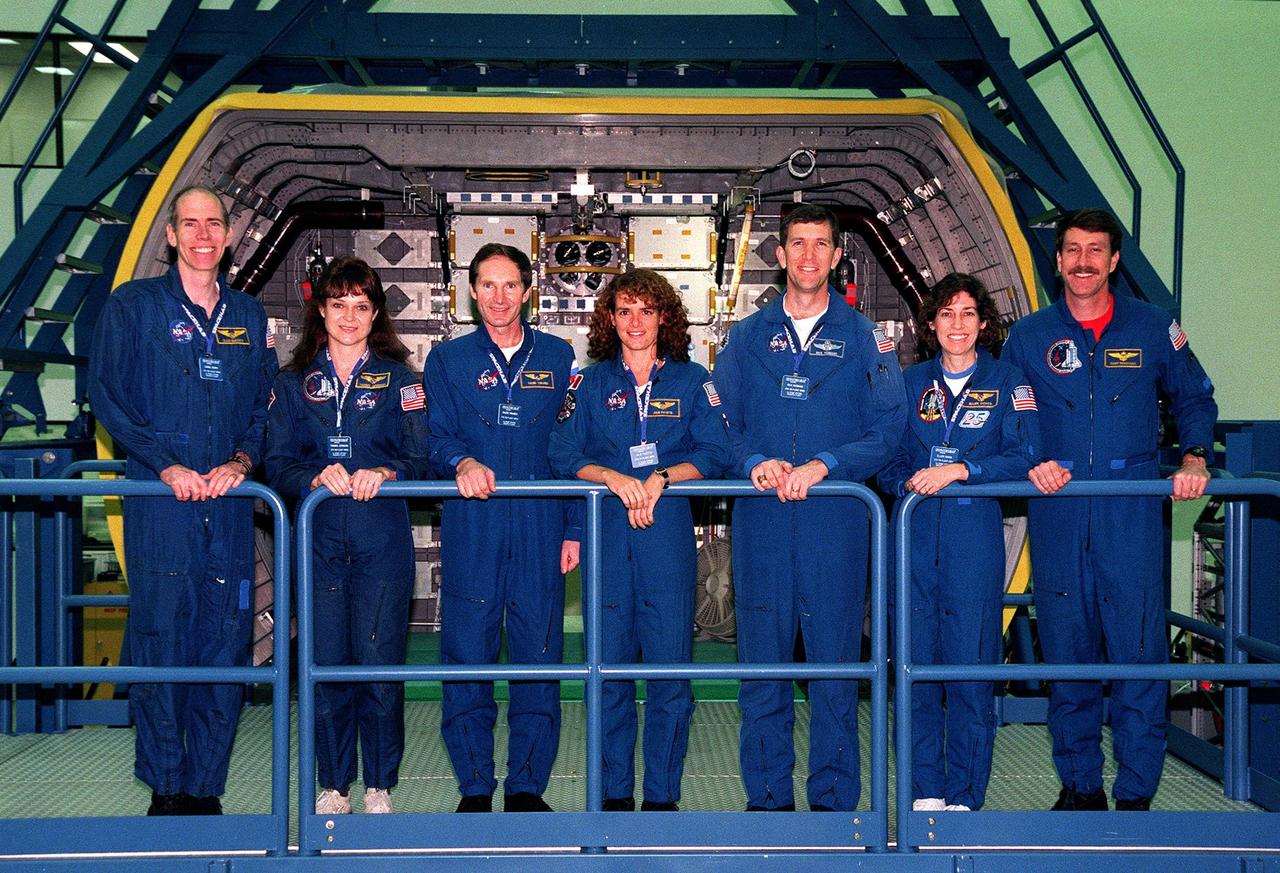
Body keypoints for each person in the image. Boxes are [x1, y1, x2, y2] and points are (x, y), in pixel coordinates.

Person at [1003, 207, 1217, 812]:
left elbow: (1195, 396)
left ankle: (1137, 793)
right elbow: (1014, 415)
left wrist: (1195, 457)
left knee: (1138, 655)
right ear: (1059, 259)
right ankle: (1080, 787)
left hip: (1131, 510)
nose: (1083, 262)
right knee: (1067, 654)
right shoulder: (1030, 337)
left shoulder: (1154, 328)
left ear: (1114, 260)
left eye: (1095, 250)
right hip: (1060, 508)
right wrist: (1031, 459)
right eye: (1072, 250)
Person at [88, 185, 277, 815]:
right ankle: (167, 786)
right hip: (161, 501)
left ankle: (206, 787)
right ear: (171, 235)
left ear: (229, 235)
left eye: (213, 224)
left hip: (225, 504)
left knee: (223, 642)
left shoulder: (248, 317)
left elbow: (261, 409)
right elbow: (109, 398)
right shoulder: (133, 307)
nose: (202, 235)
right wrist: (162, 464)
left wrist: (240, 462)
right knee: (163, 637)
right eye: (190, 224)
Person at [714, 203, 906, 812]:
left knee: (834, 672)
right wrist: (751, 463)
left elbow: (889, 428)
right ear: (779, 255)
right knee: (762, 668)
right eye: (797, 244)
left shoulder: (865, 339)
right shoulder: (746, 338)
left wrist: (828, 463)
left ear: (837, 255)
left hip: (836, 523)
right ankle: (767, 800)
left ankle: (833, 803)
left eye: (820, 244)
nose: (808, 256)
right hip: (763, 522)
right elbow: (721, 423)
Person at [549, 269, 731, 811]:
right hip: (607, 538)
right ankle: (611, 795)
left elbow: (717, 451)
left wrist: (664, 477)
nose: (635, 322)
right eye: (624, 310)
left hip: (666, 537)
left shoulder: (693, 380)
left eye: (646, 311)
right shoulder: (589, 384)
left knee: (670, 675)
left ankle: (661, 798)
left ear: (664, 319)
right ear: (610, 318)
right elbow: (562, 453)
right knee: (608, 675)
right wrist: (611, 477)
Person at [263, 256, 429, 815]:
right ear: (321, 310)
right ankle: (333, 783)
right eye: (339, 305)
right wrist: (312, 476)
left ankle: (379, 783)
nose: (350, 316)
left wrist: (384, 473)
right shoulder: (292, 384)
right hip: (318, 543)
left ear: (376, 311)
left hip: (381, 540)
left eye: (361, 305)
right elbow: (276, 463)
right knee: (326, 665)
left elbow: (420, 458)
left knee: (379, 664)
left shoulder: (401, 380)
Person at [424, 243, 579, 813]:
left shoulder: (561, 357)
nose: (498, 297)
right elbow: (435, 435)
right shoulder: (448, 360)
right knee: (468, 656)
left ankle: (526, 787)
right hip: (475, 525)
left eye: (510, 285)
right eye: (487, 285)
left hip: (541, 526)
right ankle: (472, 785)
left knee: (539, 657)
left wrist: (574, 530)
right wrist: (462, 461)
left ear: (528, 290)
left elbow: (570, 450)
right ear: (471, 291)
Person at [877, 273, 1041, 812]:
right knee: (916, 668)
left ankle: (965, 795)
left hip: (974, 536)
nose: (957, 324)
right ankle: (924, 791)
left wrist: (963, 470)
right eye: (947, 314)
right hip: (915, 534)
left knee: (971, 670)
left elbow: (1024, 456)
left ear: (984, 323)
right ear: (930, 324)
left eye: (968, 313)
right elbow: (886, 457)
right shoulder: (908, 384)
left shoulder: (1010, 381)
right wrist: (907, 480)